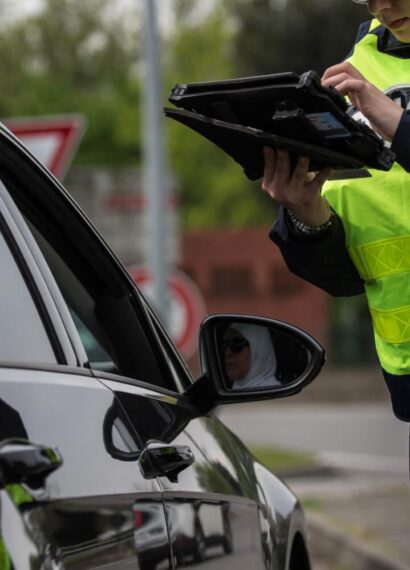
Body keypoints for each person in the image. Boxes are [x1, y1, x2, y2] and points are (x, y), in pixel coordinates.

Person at [262, 0, 410, 424]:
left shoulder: (364, 92)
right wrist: (306, 214)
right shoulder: (351, 76)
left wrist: (397, 124)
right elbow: (344, 279)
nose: (383, 6)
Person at [222, 324, 279, 389]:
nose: (228, 353)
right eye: (225, 344)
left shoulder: (274, 392)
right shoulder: (231, 388)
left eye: (236, 344)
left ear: (259, 349)